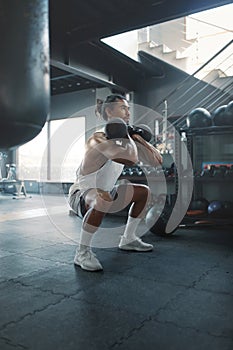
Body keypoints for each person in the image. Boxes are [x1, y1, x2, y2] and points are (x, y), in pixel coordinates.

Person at [68, 94, 163, 271]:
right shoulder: (98, 140)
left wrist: (139, 138)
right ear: (110, 112)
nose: (128, 112)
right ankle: (82, 253)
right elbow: (130, 159)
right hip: (81, 195)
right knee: (102, 198)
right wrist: (129, 134)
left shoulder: (124, 139)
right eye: (123, 108)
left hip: (105, 192)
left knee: (143, 192)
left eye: (128, 108)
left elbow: (156, 160)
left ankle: (128, 239)